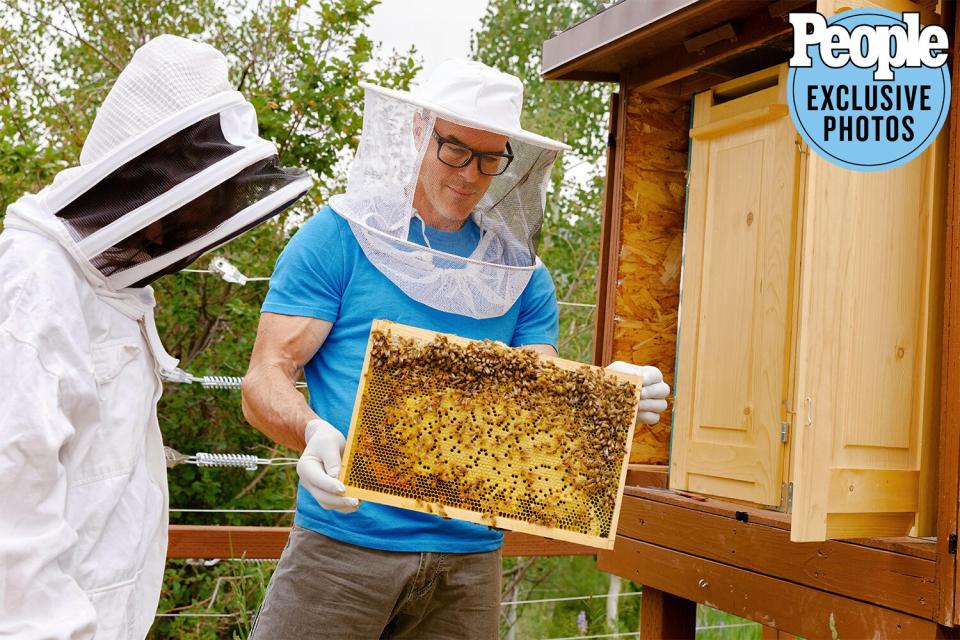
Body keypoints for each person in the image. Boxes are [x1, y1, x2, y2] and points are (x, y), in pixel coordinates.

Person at [241, 59, 669, 639]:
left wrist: (605, 397)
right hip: (343, 550)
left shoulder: (523, 276)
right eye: (455, 150)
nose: (471, 174)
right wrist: (312, 431)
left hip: (470, 563)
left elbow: (529, 407)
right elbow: (266, 375)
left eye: (491, 158)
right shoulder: (338, 236)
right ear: (420, 130)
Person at [0, 35, 311, 639]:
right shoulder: (34, 282)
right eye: (188, 211)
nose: (185, 233)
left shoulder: (108, 289)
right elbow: (13, 492)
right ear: (149, 179)